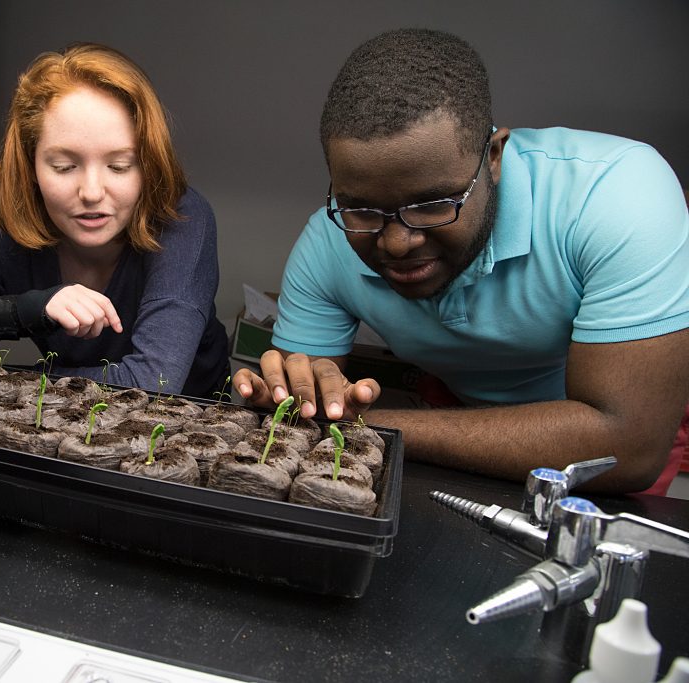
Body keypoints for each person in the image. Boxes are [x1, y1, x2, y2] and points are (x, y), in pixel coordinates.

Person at [234, 28, 689, 494]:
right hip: (453, 414)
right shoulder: (327, 238)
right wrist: (296, 397)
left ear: (493, 157)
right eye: (363, 209)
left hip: (607, 442)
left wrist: (368, 424)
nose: (396, 243)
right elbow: (296, 420)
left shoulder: (617, 194)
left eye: (432, 205)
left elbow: (626, 448)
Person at [0, 43, 229, 398]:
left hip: (184, 433)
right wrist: (24, 310)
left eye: (119, 166)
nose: (91, 192)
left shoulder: (182, 217)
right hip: (64, 422)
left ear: (148, 166)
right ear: (31, 166)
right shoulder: (11, 223)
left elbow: (153, 381)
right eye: (64, 166)